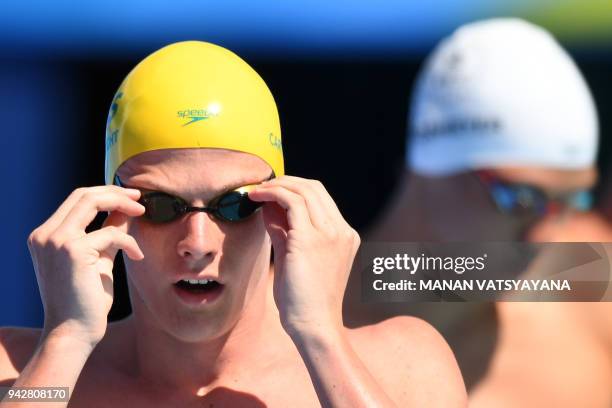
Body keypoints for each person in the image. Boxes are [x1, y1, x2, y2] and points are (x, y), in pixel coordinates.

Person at [0, 41, 466, 407]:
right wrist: (64, 341)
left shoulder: (404, 365)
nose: (198, 243)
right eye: (162, 206)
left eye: (234, 205)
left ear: (284, 206)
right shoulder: (22, 373)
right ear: (110, 209)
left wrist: (321, 338)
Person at [345, 18, 612, 405]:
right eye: (521, 198)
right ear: (430, 168)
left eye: (569, 200)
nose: (544, 236)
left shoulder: (593, 287)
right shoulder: (273, 325)